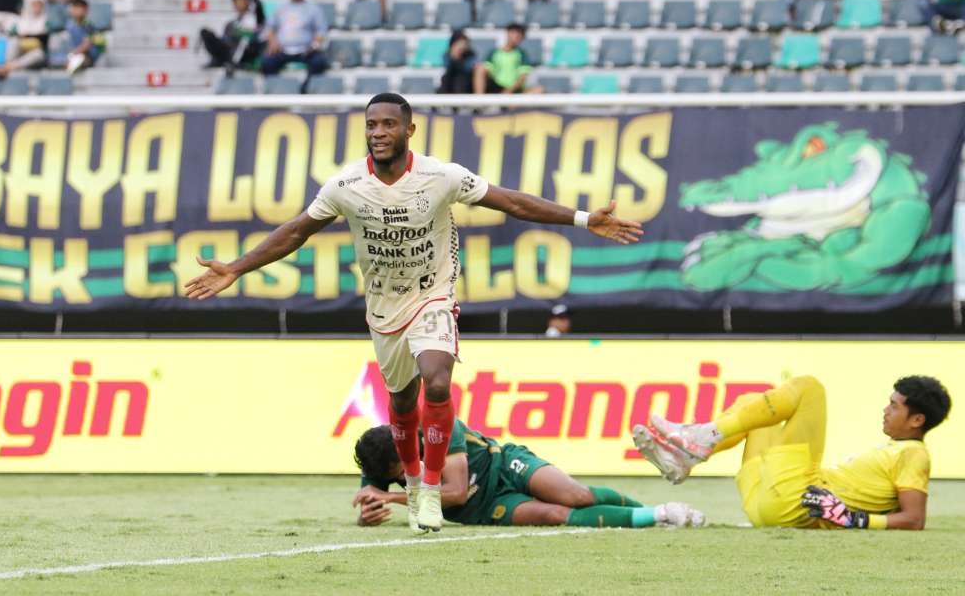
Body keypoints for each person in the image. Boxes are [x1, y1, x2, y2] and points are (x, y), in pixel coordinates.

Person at [185, 93, 644, 534]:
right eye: (371, 125)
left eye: (388, 124)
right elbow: (296, 232)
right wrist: (237, 268)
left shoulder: (440, 176)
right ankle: (412, 478)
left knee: (438, 381)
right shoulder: (346, 186)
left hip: (433, 297)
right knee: (402, 405)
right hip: (384, 309)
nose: (378, 133)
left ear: (410, 129)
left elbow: (512, 202)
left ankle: (429, 486)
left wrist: (584, 219)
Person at [633, 375, 951, 530]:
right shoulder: (895, 450)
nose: (885, 410)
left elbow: (914, 519)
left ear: (917, 420)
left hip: (793, 499)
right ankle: (687, 456)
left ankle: (702, 438)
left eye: (894, 406)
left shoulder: (914, 453)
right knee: (752, 405)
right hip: (769, 506)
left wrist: (858, 520)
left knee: (810, 388)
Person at [352, 419, 705, 529]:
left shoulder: (438, 425)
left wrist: (394, 497)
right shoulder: (379, 461)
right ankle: (659, 514)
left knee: (577, 496)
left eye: (406, 466)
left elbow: (456, 490)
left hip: (504, 464)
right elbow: (370, 502)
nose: (406, 476)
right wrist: (369, 513)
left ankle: (645, 509)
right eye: (399, 476)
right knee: (556, 515)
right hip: (483, 507)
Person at [260, 0, 327, 78]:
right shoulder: (281, 8)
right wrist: (273, 42)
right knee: (267, 62)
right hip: (282, 50)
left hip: (306, 50)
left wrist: (314, 45)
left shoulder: (314, 9)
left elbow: (321, 30)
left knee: (319, 63)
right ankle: (277, 89)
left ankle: (307, 89)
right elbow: (269, 27)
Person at [200, 0, 264, 70]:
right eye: (237, 2)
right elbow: (224, 39)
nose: (239, 4)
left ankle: (227, 61)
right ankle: (217, 60)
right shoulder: (231, 23)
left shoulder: (253, 18)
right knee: (205, 33)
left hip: (243, 53)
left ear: (247, 2)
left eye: (241, 1)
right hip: (228, 50)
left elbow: (259, 10)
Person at [472, 23, 542, 95]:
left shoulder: (522, 54)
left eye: (520, 36)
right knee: (480, 68)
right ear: (508, 33)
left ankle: (509, 104)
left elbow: (523, 76)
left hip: (514, 89)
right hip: (496, 87)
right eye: (515, 34)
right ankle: (479, 100)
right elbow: (486, 69)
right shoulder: (494, 52)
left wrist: (508, 91)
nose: (517, 37)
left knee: (539, 90)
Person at [0, 0, 48, 77]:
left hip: (35, 54)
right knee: (12, 41)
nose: (37, 7)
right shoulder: (23, 20)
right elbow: (16, 34)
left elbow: (43, 40)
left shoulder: (46, 21)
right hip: (20, 52)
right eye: (35, 4)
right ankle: (5, 66)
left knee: (38, 54)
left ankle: (7, 68)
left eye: (39, 5)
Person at [64, 0, 104, 74]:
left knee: (80, 58)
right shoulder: (68, 25)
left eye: (80, 7)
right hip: (72, 55)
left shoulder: (90, 26)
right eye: (75, 7)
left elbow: (87, 43)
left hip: (87, 57)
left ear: (86, 10)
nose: (78, 10)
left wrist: (73, 54)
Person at [437, 30, 475, 94]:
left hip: (466, 82)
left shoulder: (470, 55)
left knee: (461, 78)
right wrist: (455, 56)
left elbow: (468, 68)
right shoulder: (447, 55)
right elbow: (448, 67)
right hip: (450, 82)